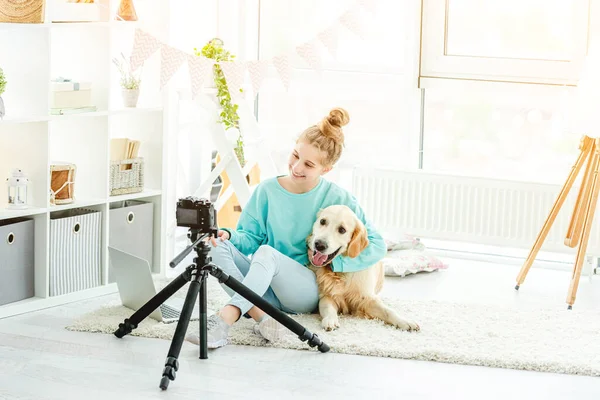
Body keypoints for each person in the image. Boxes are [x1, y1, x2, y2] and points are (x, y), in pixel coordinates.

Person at [186, 107, 387, 349]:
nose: (297, 167)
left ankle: (225, 320)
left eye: (309, 165)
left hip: (303, 291)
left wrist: (336, 263)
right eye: (295, 156)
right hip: (263, 287)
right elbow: (250, 238)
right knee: (215, 247)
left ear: (326, 169)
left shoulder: (338, 199)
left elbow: (376, 244)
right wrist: (227, 234)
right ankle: (262, 316)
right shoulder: (267, 191)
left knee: (266, 253)